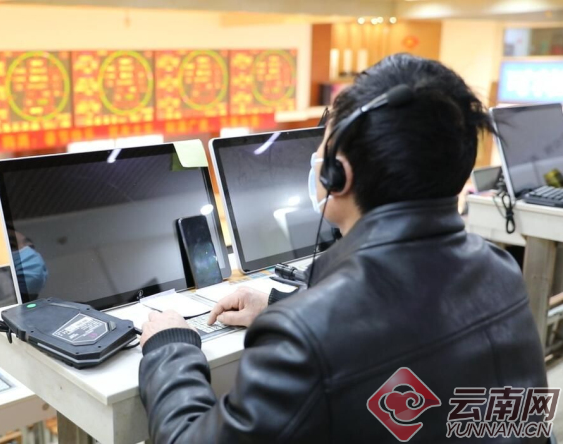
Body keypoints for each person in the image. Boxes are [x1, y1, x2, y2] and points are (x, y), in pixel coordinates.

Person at [137, 54, 549, 443]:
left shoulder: (305, 336)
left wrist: (171, 348)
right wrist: (283, 302)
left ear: (338, 174)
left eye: (323, 143)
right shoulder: (500, 269)